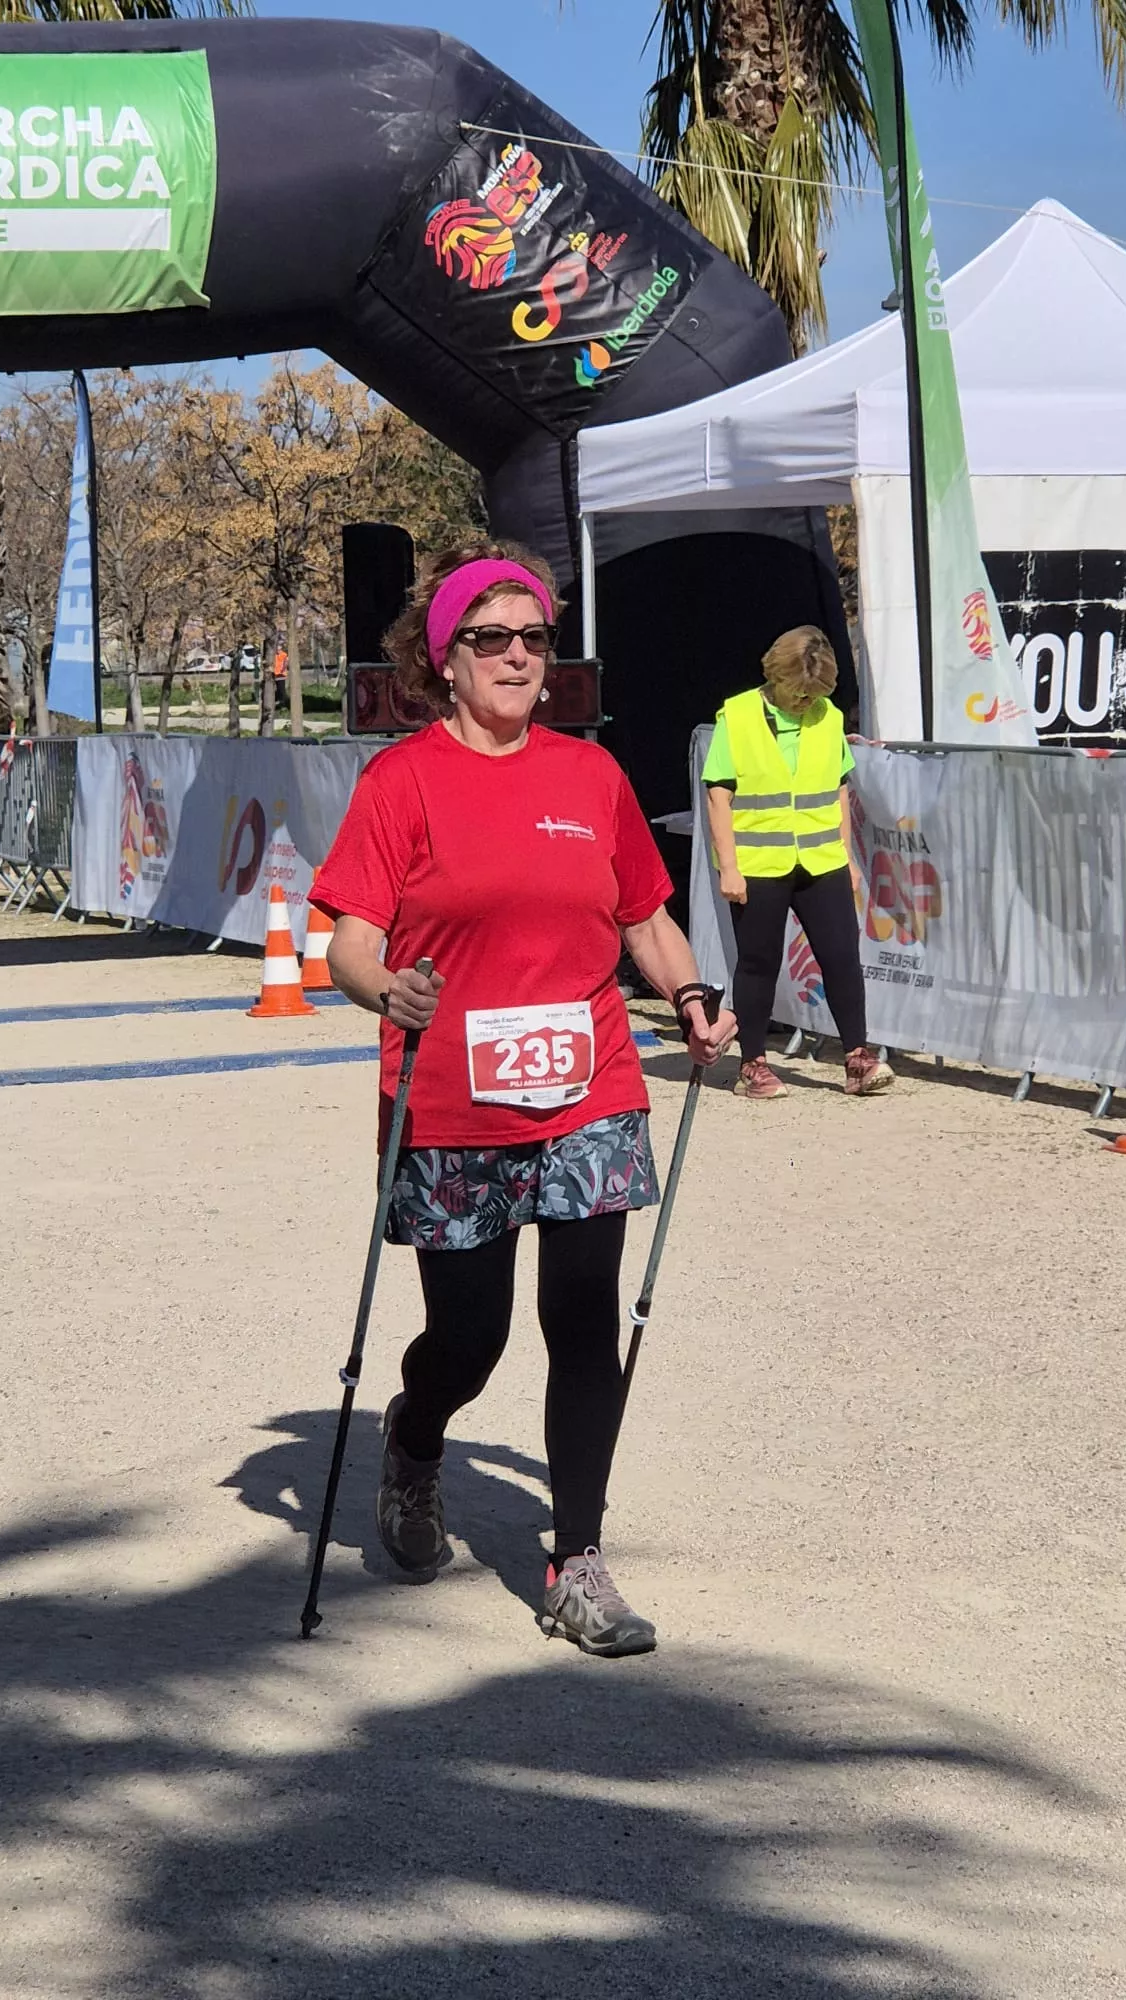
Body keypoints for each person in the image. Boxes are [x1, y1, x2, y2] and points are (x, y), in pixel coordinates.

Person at [310, 540, 737, 1660]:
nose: (516, 656)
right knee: (472, 1334)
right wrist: (384, 986)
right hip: (452, 1097)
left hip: (589, 1083)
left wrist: (688, 991)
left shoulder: (590, 778)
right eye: (490, 639)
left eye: (534, 638)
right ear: (443, 659)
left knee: (583, 1312)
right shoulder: (400, 781)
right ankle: (414, 1431)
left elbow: (643, 914)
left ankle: (578, 1558)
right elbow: (349, 940)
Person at [703, 626, 893, 1101]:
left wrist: (848, 858)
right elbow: (718, 795)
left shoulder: (827, 717)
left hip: (821, 858)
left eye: (815, 694)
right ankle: (753, 1064)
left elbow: (838, 790)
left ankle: (857, 1058)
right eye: (799, 693)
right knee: (759, 962)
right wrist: (728, 865)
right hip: (759, 863)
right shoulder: (739, 715)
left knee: (842, 957)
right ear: (778, 675)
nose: (805, 702)